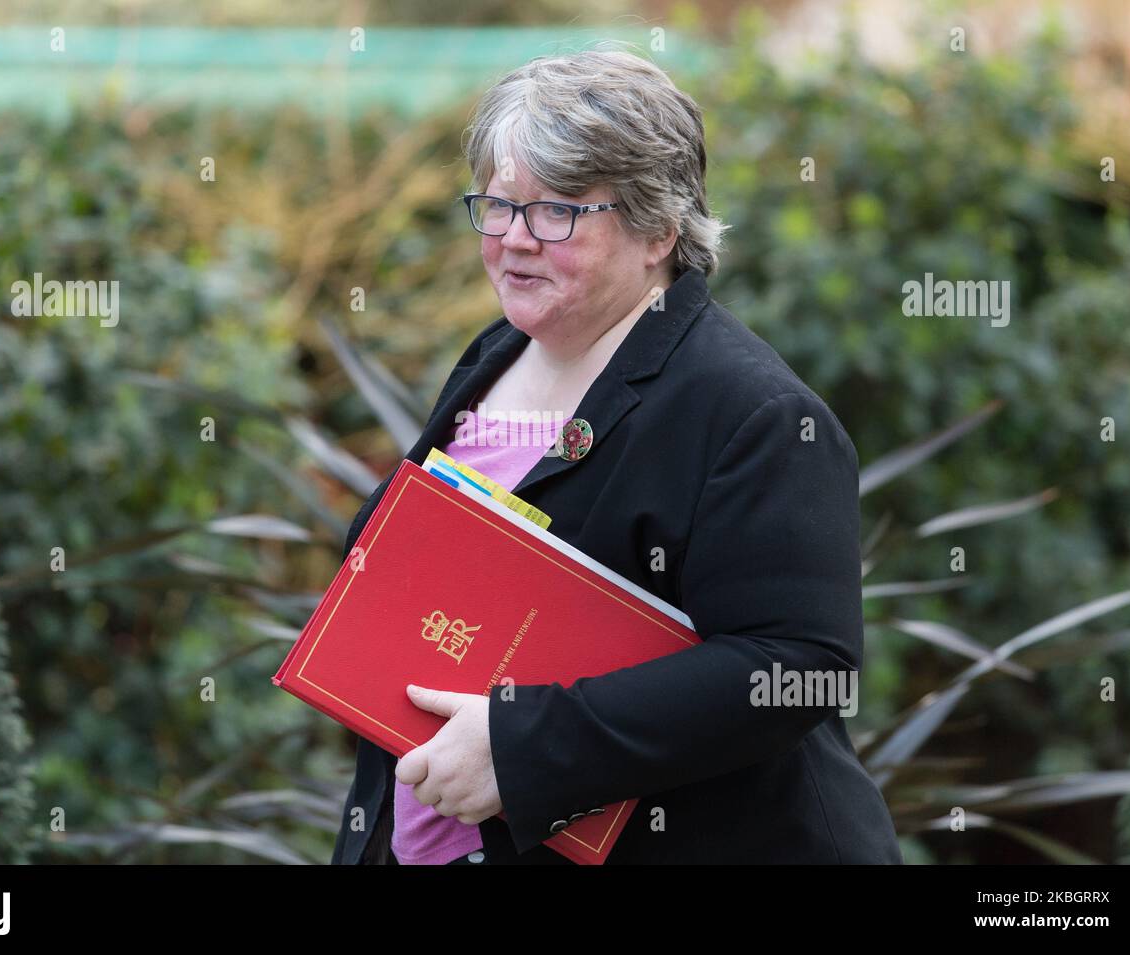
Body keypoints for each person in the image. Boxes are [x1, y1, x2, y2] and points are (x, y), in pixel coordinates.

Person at [330, 46, 902, 864]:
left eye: (557, 211)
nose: (515, 241)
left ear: (658, 227)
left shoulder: (756, 415)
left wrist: (523, 749)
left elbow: (797, 664)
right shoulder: (500, 350)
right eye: (497, 205)